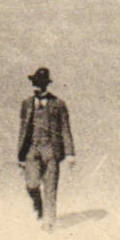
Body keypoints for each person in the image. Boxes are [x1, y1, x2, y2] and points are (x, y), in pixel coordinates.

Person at [17, 67, 75, 230]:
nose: (35, 87)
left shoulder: (58, 104)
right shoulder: (26, 104)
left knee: (50, 186)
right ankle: (38, 204)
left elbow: (65, 128)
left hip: (51, 149)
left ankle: (49, 222)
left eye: (39, 84)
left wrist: (70, 153)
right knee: (32, 183)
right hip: (32, 149)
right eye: (34, 83)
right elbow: (22, 131)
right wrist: (20, 157)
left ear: (45, 85)